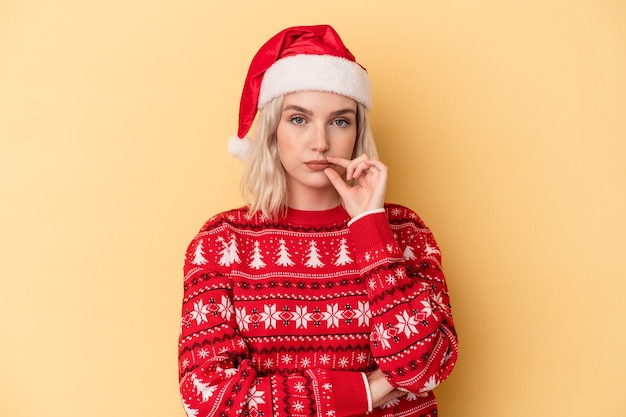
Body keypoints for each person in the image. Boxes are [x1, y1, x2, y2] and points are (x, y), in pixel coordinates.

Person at [178, 25, 458, 417]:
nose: (321, 141)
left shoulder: (404, 232)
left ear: (357, 131)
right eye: (298, 119)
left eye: (340, 121)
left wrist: (370, 227)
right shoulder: (221, 244)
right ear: (272, 130)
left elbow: (425, 368)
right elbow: (209, 400)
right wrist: (367, 390)